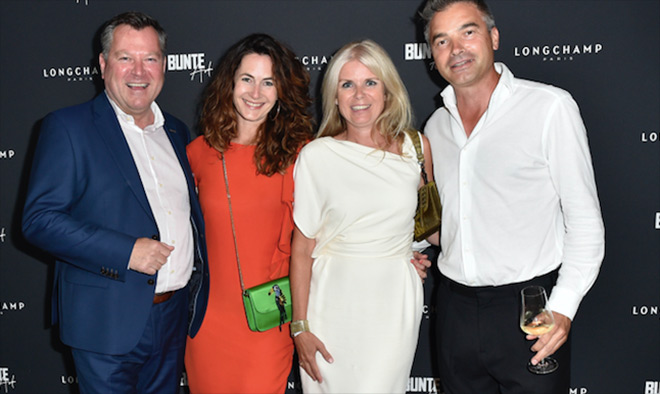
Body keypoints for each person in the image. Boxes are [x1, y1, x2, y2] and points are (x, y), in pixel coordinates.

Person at [419, 0, 606, 393]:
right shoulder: (435, 128)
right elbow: (444, 224)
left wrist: (563, 307)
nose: (456, 49)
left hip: (528, 310)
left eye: (468, 32)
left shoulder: (549, 108)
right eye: (442, 40)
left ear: (494, 37)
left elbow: (585, 221)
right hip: (453, 312)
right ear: (432, 55)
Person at [21, 11, 209, 394]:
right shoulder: (67, 127)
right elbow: (39, 219)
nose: (139, 71)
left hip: (172, 317)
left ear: (164, 65)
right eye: (126, 58)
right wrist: (127, 252)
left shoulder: (175, 130)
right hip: (104, 323)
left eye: (150, 58)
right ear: (104, 64)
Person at [290, 39, 432, 393]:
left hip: (393, 302)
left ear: (388, 90)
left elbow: (432, 228)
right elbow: (301, 249)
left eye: (370, 83)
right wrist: (300, 327)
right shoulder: (317, 156)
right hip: (331, 304)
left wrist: (413, 253)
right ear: (335, 96)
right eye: (347, 84)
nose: (359, 95)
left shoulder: (416, 148)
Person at [184, 33, 314, 394]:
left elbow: (335, 226)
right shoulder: (198, 152)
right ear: (229, 83)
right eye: (247, 79)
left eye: (268, 82)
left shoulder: (303, 156)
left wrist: (400, 253)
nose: (255, 93)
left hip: (269, 319)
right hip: (208, 323)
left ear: (281, 91)